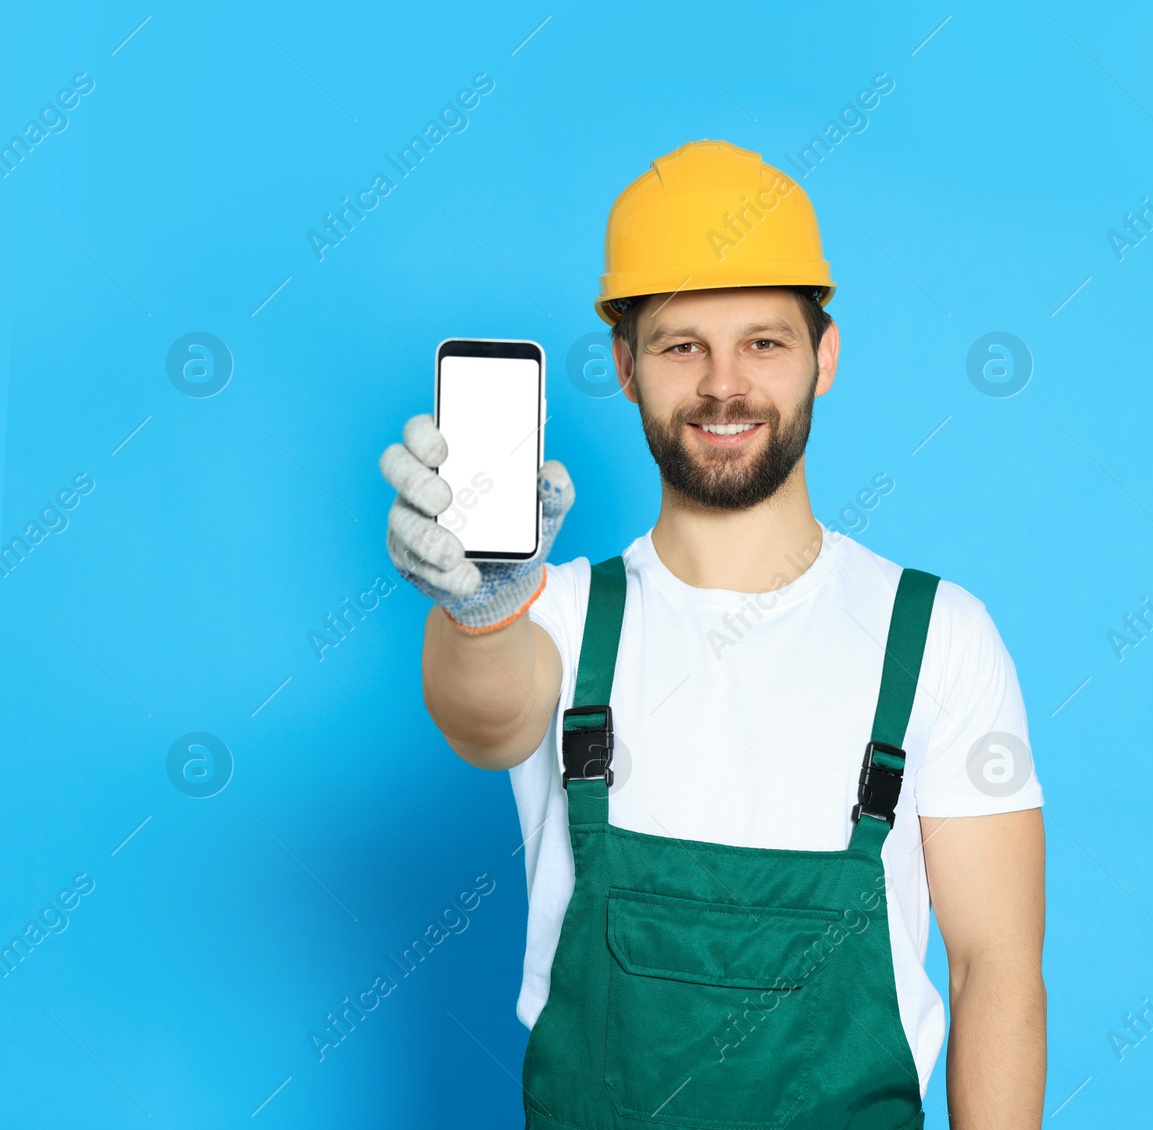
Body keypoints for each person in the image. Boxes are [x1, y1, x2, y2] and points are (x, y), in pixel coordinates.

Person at [381, 140, 1046, 1128]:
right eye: (682, 343)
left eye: (763, 342)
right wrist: (480, 609)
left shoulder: (938, 635)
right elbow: (483, 719)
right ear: (625, 364)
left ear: (824, 355)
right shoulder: (556, 610)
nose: (723, 384)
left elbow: (997, 967)